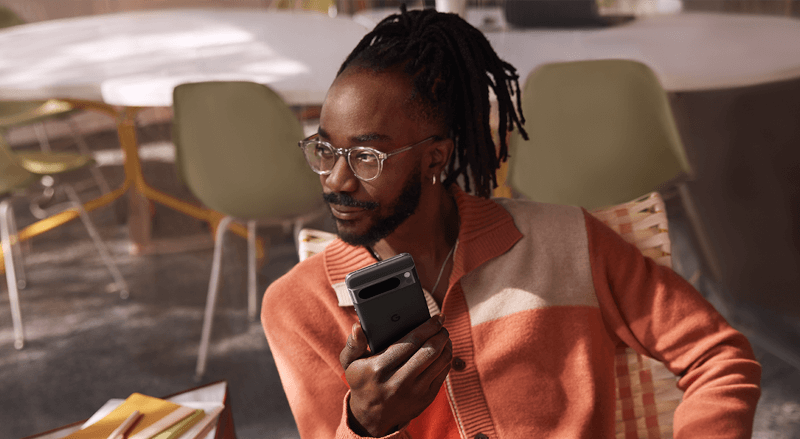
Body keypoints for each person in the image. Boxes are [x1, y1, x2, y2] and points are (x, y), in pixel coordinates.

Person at [261, 6, 761, 438]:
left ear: (435, 158)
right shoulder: (298, 307)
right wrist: (366, 425)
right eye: (324, 149)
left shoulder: (568, 241)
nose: (336, 180)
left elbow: (718, 356)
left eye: (366, 157)